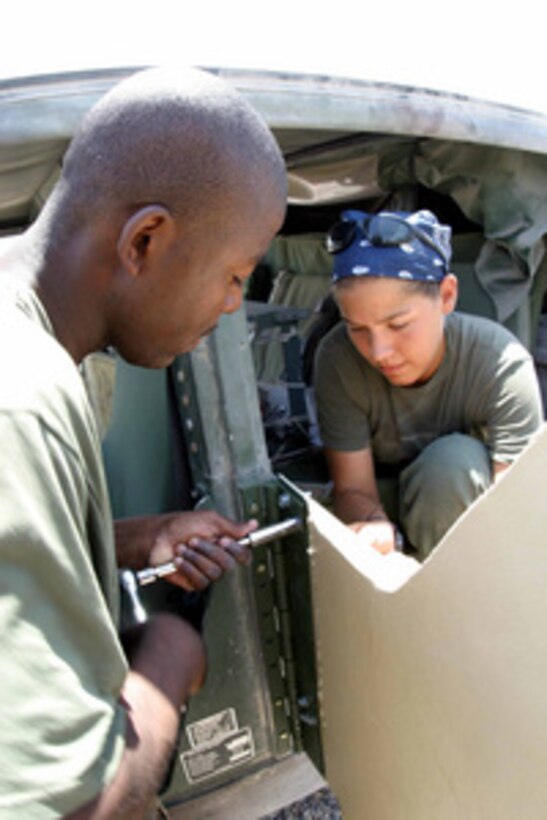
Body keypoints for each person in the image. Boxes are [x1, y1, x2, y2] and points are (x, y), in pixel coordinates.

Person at [0, 67, 286, 818]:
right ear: (145, 240)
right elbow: (84, 806)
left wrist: (138, 538)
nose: (232, 306)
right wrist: (167, 657)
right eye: (233, 275)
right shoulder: (22, 400)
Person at [314, 208, 543, 561]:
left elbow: (516, 510)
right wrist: (375, 531)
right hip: (386, 504)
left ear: (447, 296)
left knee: (451, 465)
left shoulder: (501, 365)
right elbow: (352, 487)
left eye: (398, 324)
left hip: (472, 519)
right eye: (357, 328)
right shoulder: (338, 359)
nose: (379, 352)